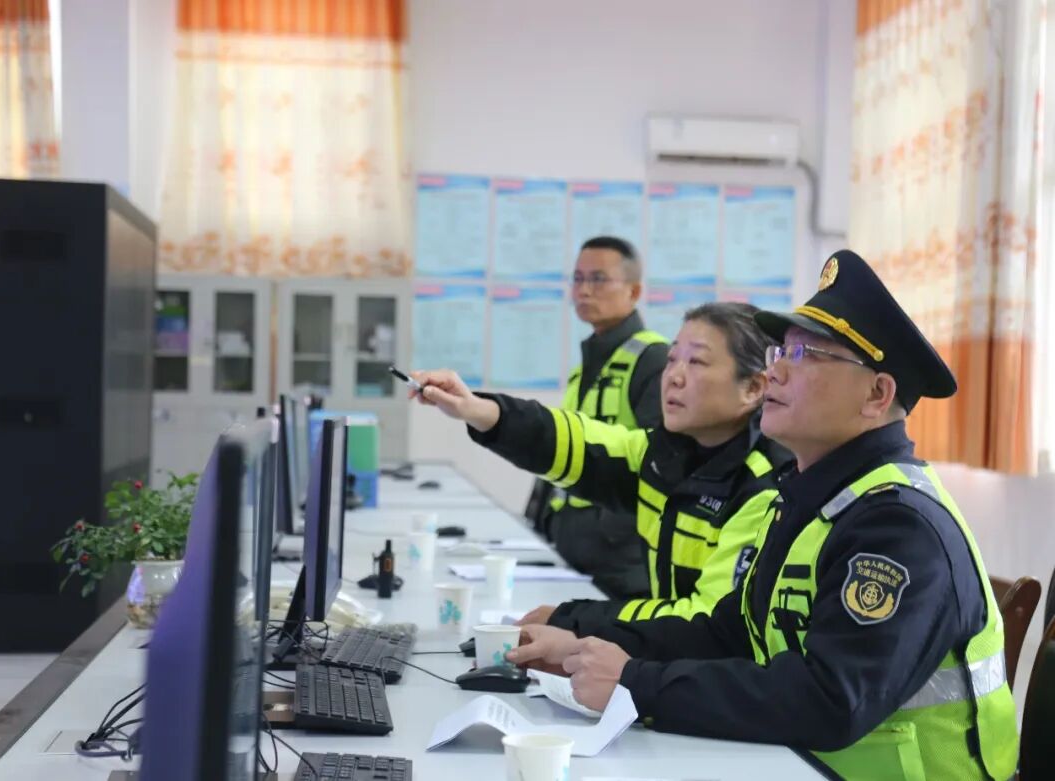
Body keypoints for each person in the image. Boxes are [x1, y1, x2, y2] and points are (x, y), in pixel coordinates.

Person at [508, 251, 1018, 781]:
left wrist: (635, 682)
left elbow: (830, 701)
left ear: (876, 394)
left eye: (805, 354)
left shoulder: (897, 526)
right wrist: (580, 638)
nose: (775, 369)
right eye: (780, 350)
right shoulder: (813, 500)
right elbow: (727, 633)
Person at [412, 302, 791, 638]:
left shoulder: (764, 489)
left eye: (697, 362)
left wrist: (572, 620)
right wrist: (476, 409)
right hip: (675, 659)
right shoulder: (663, 454)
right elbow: (577, 442)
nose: (674, 376)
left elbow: (706, 619)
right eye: (673, 358)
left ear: (753, 388)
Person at [524, 236, 668, 599]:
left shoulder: (653, 360)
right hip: (571, 548)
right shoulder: (589, 364)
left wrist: (612, 527)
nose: (584, 290)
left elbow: (663, 459)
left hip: (620, 562)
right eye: (578, 279)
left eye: (599, 279)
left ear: (634, 291)